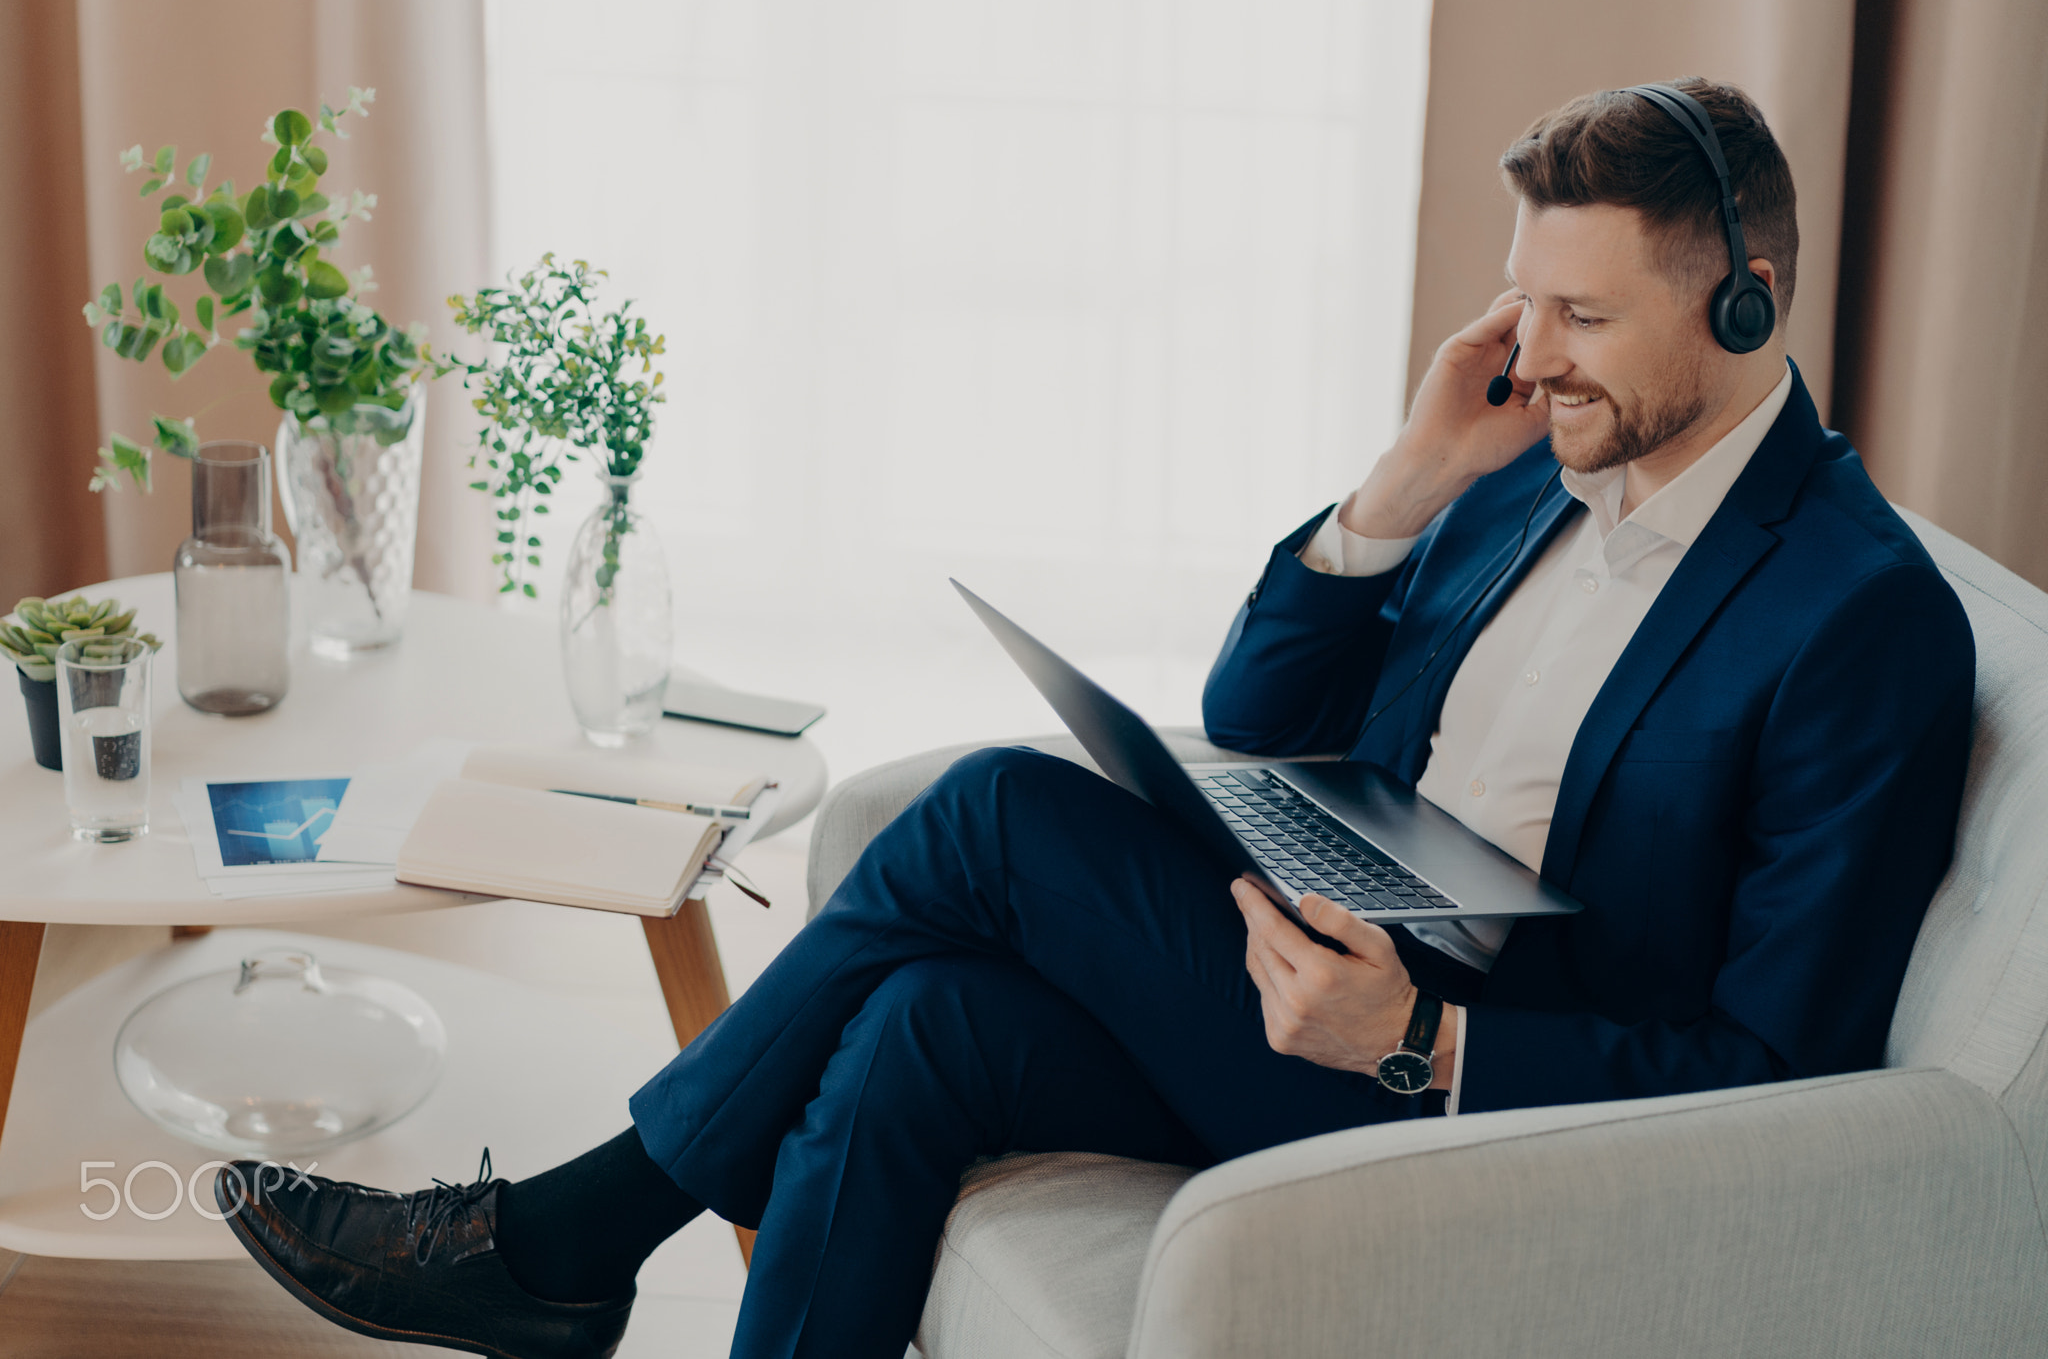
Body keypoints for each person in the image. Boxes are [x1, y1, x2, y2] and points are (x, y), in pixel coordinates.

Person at [216, 78, 1974, 1359]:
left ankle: (562, 1236)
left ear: (1744, 305)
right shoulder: (1529, 461)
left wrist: (1420, 1042)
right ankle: (561, 1254)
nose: (1538, 348)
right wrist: (1414, 471)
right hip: (1326, 973)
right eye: (1527, 300)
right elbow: (1257, 709)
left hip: (1476, 1114)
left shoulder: (1860, 620)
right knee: (917, 1027)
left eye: (1586, 313)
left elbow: (1785, 1069)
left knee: (988, 809)